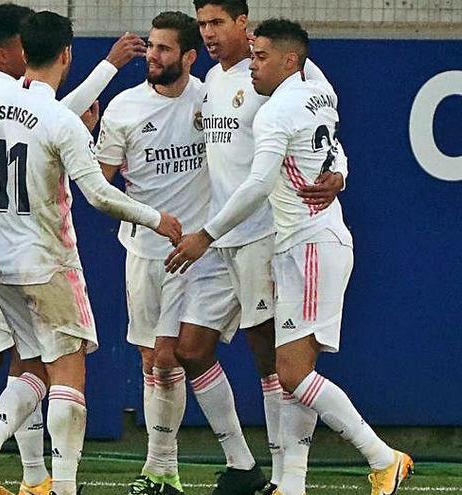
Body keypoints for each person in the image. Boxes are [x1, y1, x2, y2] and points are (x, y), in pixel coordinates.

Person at [0, 11, 181, 495]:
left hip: (0, 262)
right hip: (48, 260)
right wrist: (157, 219)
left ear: (24, 52)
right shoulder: (59, 121)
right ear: (66, 54)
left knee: (31, 366)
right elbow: (98, 195)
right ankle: (63, 485)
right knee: (69, 368)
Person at [166, 18, 413, 495]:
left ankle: (383, 457)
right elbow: (332, 144)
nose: (253, 65)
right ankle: (291, 484)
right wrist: (339, 168)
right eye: (252, 56)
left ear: (289, 60)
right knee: (290, 370)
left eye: (261, 58)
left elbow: (258, 184)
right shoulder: (317, 94)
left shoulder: (276, 111)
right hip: (299, 243)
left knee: (292, 373)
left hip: (310, 244)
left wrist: (205, 236)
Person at [95, 11, 211, 495]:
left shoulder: (212, 100)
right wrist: (146, 217)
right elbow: (99, 184)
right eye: (150, 46)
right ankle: (162, 470)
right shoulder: (124, 108)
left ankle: (162, 465)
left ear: (188, 56)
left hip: (197, 253)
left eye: (164, 49)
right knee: (152, 361)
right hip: (144, 252)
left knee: (172, 356)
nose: (152, 56)